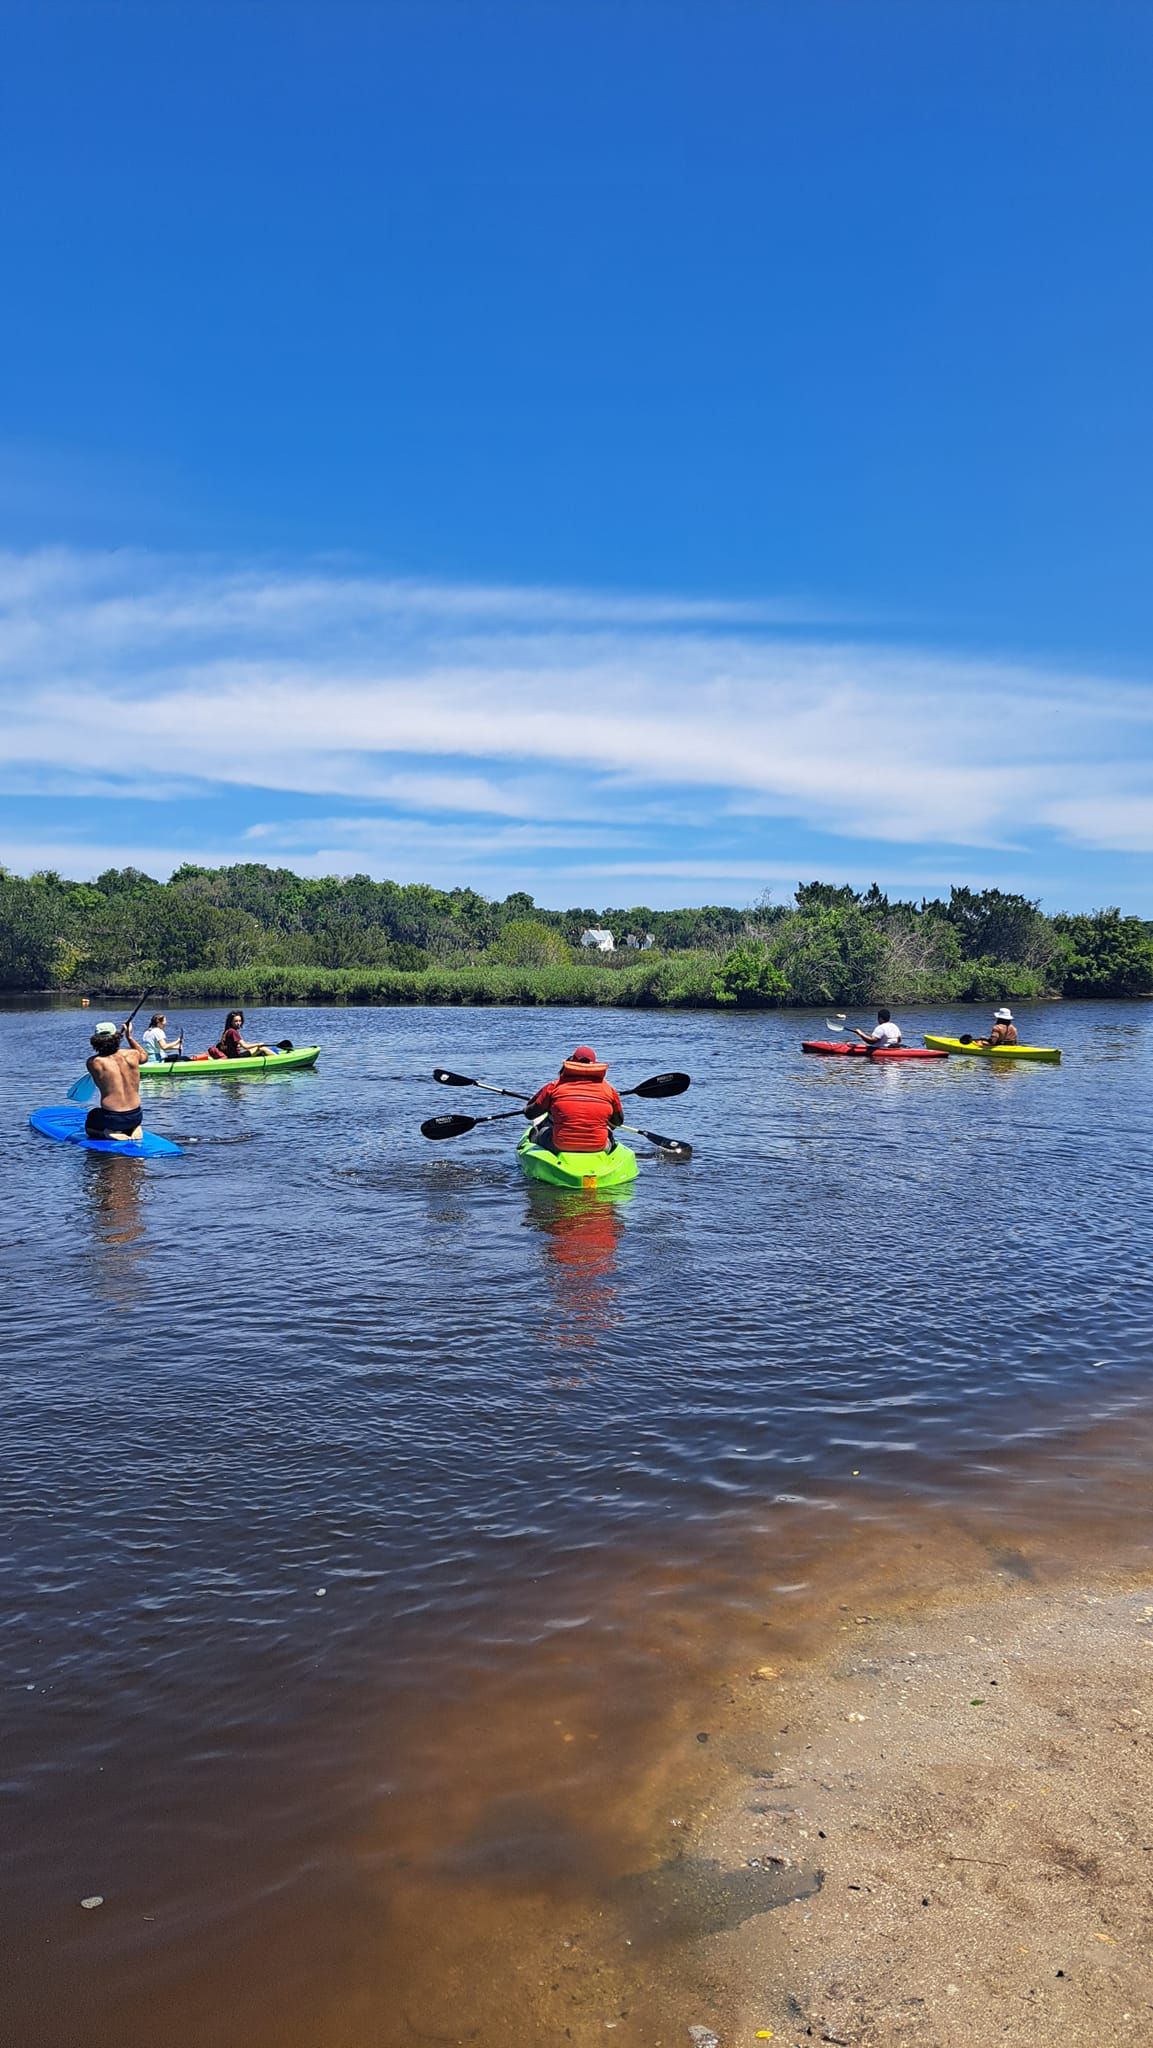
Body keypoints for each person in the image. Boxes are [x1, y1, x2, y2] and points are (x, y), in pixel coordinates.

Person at [523, 1045, 625, 1154]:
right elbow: (618, 1122)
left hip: (560, 1145)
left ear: (571, 1062)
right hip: (598, 1147)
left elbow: (530, 1114)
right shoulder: (609, 1090)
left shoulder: (553, 1087)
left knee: (541, 1130)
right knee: (608, 1133)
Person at [84, 1019, 147, 1141]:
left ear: (95, 1041)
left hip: (112, 1118)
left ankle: (107, 1133)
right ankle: (135, 1128)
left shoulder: (93, 1063)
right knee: (128, 1118)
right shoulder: (133, 1054)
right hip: (136, 1115)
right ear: (117, 1038)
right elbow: (144, 1057)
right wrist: (129, 1037)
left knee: (91, 1120)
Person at [210, 1010, 275, 1059]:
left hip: (230, 1056)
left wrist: (247, 1045)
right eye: (236, 1021)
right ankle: (277, 1058)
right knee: (262, 1048)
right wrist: (258, 1044)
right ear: (231, 1022)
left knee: (254, 1048)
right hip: (236, 1057)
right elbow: (245, 1046)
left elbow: (233, 1045)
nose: (238, 1023)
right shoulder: (233, 1032)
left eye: (240, 1021)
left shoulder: (227, 1031)